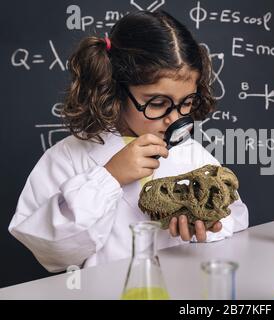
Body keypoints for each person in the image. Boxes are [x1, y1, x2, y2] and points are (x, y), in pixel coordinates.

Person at [8, 10, 249, 273]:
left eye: (187, 103)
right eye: (157, 103)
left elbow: (235, 218)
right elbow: (52, 254)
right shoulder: (65, 158)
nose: (175, 120)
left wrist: (205, 227)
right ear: (114, 90)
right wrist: (108, 178)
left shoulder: (192, 155)